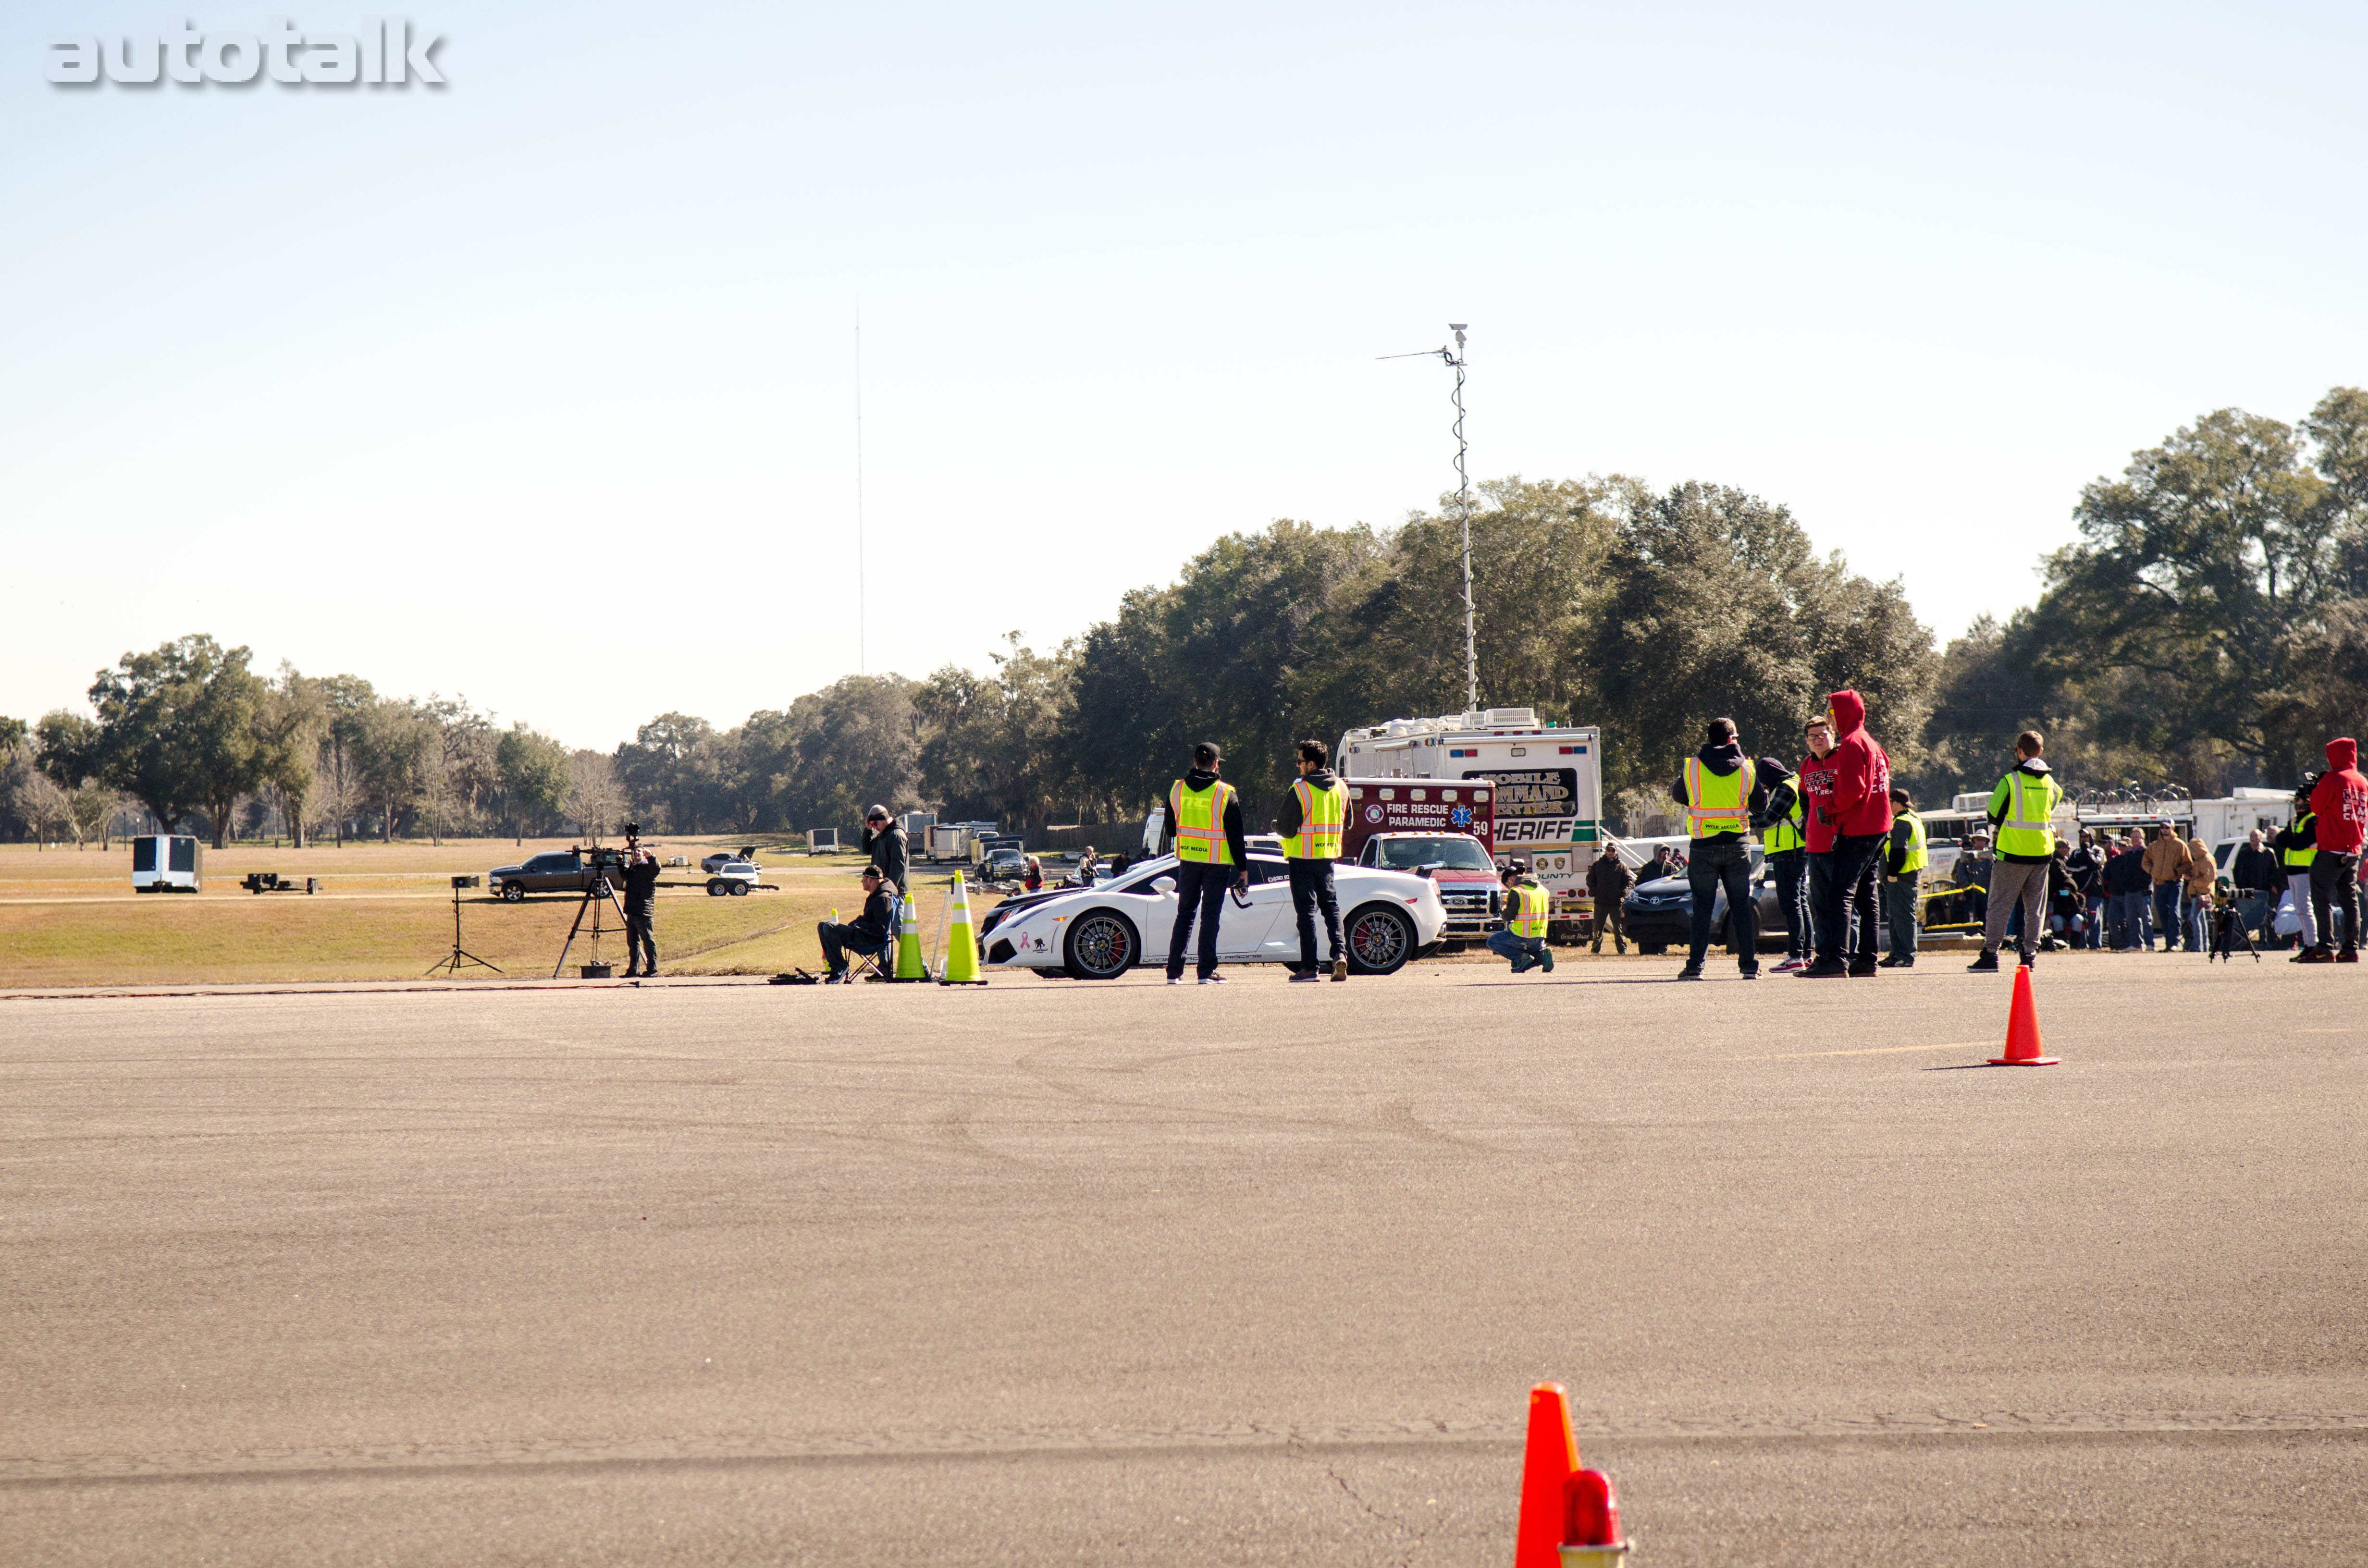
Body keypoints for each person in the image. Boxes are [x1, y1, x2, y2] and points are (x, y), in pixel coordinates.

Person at [1801, 691, 1890, 979]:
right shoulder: (1870, 742)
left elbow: (1854, 790)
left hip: (1859, 829)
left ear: (1844, 712)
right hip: (1878, 826)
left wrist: (1829, 809)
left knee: (1839, 893)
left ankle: (1836, 960)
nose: (1830, 716)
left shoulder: (1852, 742)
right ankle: (1867, 960)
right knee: (1866, 895)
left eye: (1832, 711)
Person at [1670, 717, 1761, 980]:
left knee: (1702, 909)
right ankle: (1749, 967)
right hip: (1737, 845)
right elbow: (1761, 805)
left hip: (1703, 845)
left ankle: (1695, 967)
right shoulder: (1747, 768)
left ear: (1709, 738)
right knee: (1741, 907)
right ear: (1732, 739)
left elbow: (1678, 795)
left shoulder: (1693, 766)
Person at [1969, 731, 2062, 972]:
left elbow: (1993, 815)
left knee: (2000, 905)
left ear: (2019, 751)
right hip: (2042, 853)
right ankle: (2029, 955)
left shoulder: (2010, 781)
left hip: (2012, 853)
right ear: (2041, 752)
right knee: (2035, 909)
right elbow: (2052, 805)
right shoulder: (2051, 784)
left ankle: (1990, 955)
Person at [1165, 742, 1249, 985]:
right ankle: (1205, 972)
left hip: (1189, 861)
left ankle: (1174, 972)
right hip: (1217, 863)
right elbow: (1236, 837)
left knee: (1185, 914)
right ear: (1216, 764)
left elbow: (1171, 830)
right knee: (1210, 916)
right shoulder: (1226, 793)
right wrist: (1243, 869)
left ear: (1195, 762)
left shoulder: (1177, 790)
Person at [1275, 737, 1350, 982]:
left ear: (1311, 764)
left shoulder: (1300, 789)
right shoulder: (1342, 788)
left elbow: (1286, 827)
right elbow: (1348, 823)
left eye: (1300, 761)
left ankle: (1309, 968)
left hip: (1302, 859)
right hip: (1327, 858)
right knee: (1331, 908)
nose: (1297, 765)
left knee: (1306, 914)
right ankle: (1340, 954)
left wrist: (1277, 826)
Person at [2303, 738, 2368, 963]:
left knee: (2321, 895)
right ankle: (2350, 948)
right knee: (2350, 898)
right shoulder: (2362, 781)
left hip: (2332, 847)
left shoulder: (2333, 778)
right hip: (2354, 849)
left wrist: (2318, 788)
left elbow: (2316, 806)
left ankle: (2324, 946)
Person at [1753, 756, 1811, 972]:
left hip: (1788, 851)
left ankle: (1796, 956)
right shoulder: (1795, 782)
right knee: (1800, 903)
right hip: (1797, 849)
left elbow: (1768, 819)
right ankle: (1806, 954)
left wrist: (1741, 820)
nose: (1763, 786)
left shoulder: (1785, 788)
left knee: (1791, 905)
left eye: (1763, 781)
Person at [1797, 714, 1841, 962]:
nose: (1817, 740)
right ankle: (1824, 957)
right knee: (1821, 906)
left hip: (1841, 843)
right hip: (1815, 845)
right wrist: (1810, 824)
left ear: (1833, 735)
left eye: (1822, 735)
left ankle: (1846, 955)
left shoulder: (1843, 757)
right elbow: (1804, 798)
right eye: (1812, 737)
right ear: (1806, 741)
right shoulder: (1806, 764)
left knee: (1844, 904)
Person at [818, 868, 896, 981]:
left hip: (870, 940)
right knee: (822, 925)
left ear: (871, 880)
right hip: (864, 934)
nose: (862, 881)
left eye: (864, 878)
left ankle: (840, 967)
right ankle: (836, 965)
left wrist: (859, 923)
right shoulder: (876, 895)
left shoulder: (883, 898)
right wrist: (859, 923)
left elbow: (882, 929)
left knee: (830, 927)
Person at [1879, 787, 1925, 967]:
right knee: (1896, 916)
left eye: (1890, 802)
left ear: (1897, 804)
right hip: (1908, 874)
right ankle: (1897, 954)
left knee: (1903, 916)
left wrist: (1892, 874)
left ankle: (1905, 955)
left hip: (1901, 876)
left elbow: (1899, 851)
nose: (1888, 805)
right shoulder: (1914, 818)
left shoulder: (1901, 822)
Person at [1487, 859, 1554, 974]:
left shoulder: (1517, 891)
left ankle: (1521, 958)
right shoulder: (1543, 890)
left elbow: (1508, 917)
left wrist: (1503, 911)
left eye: (1507, 885)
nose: (1509, 888)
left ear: (1510, 880)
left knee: (1492, 942)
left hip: (1522, 936)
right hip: (1540, 937)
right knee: (1530, 953)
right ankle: (1542, 955)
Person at [2275, 786, 2319, 953]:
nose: (2296, 803)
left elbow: (2301, 843)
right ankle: (2307, 945)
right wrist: (2293, 839)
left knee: (2305, 909)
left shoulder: (2312, 819)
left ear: (2308, 800)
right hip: (2292, 870)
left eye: (2298, 799)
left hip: (2305, 869)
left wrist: (2292, 840)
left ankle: (2312, 944)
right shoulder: (2295, 820)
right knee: (2299, 910)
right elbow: (2280, 839)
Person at [2140, 824, 2186, 955]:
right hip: (2160, 883)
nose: (2165, 830)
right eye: (2163, 827)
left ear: (2172, 828)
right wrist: (2152, 871)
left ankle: (2174, 943)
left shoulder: (2180, 845)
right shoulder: (2154, 846)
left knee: (2174, 912)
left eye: (2167, 827)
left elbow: (2187, 863)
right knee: (2163, 913)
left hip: (2175, 883)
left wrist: (2177, 872)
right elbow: (2145, 862)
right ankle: (2168, 943)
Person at [2105, 828, 2151, 950]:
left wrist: (2146, 886)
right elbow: (2121, 874)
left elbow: (2150, 872)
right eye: (2133, 837)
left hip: (2142, 891)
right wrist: (2125, 886)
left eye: (2137, 837)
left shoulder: (2147, 852)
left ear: (2143, 838)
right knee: (2131, 919)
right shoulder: (2129, 855)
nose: (2135, 839)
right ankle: (2136, 945)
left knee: (2146, 918)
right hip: (2129, 891)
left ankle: (2150, 944)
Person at [1586, 839, 1634, 955]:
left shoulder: (1622, 866)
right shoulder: (1598, 865)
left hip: (1616, 903)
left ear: (1616, 852)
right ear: (1606, 852)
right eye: (1609, 850)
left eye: (1613, 850)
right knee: (1598, 928)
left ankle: (1622, 950)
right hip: (1600, 902)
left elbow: (1629, 881)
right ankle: (1595, 950)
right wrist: (1595, 891)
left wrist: (1624, 892)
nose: (1611, 852)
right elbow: (1590, 879)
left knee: (1618, 929)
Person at [621, 846, 661, 977]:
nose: (636, 853)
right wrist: (620, 862)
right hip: (632, 910)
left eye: (639, 851)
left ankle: (653, 969)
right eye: (635, 851)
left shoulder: (648, 868)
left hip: (643, 911)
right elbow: (625, 875)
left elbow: (657, 868)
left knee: (648, 941)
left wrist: (652, 857)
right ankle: (633, 970)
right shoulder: (633, 869)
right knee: (632, 943)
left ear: (644, 855)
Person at [2066, 829, 2107, 950]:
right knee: (2080, 918)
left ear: (2092, 838)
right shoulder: (2076, 852)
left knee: (2095, 918)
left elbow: (2095, 864)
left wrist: (2087, 852)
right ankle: (2081, 945)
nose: (2084, 839)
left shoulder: (2099, 851)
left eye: (2086, 837)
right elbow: (2069, 867)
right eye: (2082, 837)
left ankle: (2095, 946)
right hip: (2080, 891)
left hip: (2095, 890)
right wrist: (2085, 867)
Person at [862, 806, 908, 899]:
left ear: (883, 819)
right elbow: (867, 849)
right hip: (882, 891)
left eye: (875, 823)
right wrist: (868, 830)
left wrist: (888, 890)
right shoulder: (882, 835)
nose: (874, 827)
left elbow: (898, 865)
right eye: (872, 825)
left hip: (894, 893)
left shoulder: (896, 836)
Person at [2180, 834, 2214, 953]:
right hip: (2198, 893)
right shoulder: (2200, 860)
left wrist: (2193, 881)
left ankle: (2197, 946)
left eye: (2193, 850)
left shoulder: (2206, 860)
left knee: (2194, 918)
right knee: (2201, 920)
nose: (2192, 852)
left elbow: (2209, 878)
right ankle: (2204, 946)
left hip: (2202, 893)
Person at [1956, 832, 1993, 928]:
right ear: (1974, 841)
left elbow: (1994, 874)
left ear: (1986, 842)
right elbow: (1961, 873)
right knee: (1970, 919)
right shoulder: (1967, 855)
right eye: (1978, 840)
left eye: (1983, 840)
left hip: (1987, 893)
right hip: (1971, 894)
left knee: (1986, 918)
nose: (1980, 842)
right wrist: (1968, 887)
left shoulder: (1991, 857)